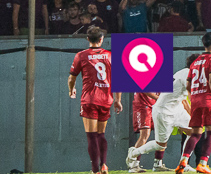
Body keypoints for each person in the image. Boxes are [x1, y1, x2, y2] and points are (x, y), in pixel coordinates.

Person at [127, 54, 195, 172]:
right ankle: (134, 153)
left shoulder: (181, 73)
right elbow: (190, 94)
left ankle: (183, 164)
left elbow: (183, 99)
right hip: (162, 109)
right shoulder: (187, 73)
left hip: (176, 108)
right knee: (159, 143)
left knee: (194, 132)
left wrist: (192, 115)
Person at [70, 26, 123, 174]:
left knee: (91, 136)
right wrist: (118, 100)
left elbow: (72, 77)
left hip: (90, 99)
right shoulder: (111, 56)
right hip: (106, 99)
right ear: (101, 39)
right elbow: (118, 81)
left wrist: (71, 89)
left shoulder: (81, 55)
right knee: (101, 134)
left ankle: (95, 170)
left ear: (88, 39)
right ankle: (104, 164)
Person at [175, 31, 211, 174]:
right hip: (209, 101)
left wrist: (195, 98)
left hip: (196, 102)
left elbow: (188, 85)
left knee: (195, 134)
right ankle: (203, 164)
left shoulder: (195, 62)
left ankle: (183, 161)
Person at [130, 91, 157, 172]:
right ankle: (133, 165)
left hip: (155, 105)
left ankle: (158, 163)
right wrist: (160, 99)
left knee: (162, 134)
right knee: (145, 135)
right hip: (143, 105)